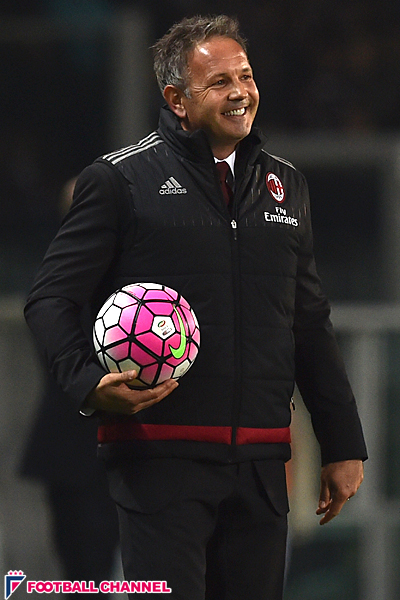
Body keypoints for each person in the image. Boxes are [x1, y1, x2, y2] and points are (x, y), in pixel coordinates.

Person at [24, 14, 367, 600]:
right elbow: (50, 297)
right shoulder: (120, 181)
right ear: (176, 100)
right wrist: (88, 383)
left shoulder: (286, 186)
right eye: (219, 81)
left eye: (246, 76)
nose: (240, 92)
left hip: (260, 465)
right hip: (158, 462)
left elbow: (309, 323)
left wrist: (343, 442)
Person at [21, 178, 120, 598]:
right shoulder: (56, 281)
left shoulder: (134, 271)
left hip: (120, 447)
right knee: (82, 572)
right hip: (75, 447)